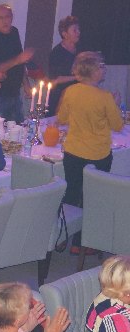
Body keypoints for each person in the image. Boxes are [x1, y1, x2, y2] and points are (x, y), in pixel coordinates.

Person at [58, 51, 123, 255]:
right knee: (91, 197)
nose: (104, 69)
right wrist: (116, 104)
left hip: (73, 151)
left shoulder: (70, 91)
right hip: (98, 154)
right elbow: (118, 125)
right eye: (101, 66)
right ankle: (80, 243)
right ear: (93, 71)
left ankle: (61, 236)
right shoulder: (105, 97)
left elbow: (62, 118)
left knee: (71, 193)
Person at [0, 4, 34, 122]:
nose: (5, 21)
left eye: (7, 17)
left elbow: (21, 61)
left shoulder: (14, 32)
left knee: (18, 127)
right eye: (0, 18)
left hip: (15, 93)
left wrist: (26, 84)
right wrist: (17, 60)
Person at [47, 16, 81, 117]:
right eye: (74, 30)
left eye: (78, 29)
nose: (78, 32)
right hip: (59, 98)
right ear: (64, 34)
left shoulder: (81, 50)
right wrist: (77, 77)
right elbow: (56, 79)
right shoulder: (56, 53)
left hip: (77, 96)